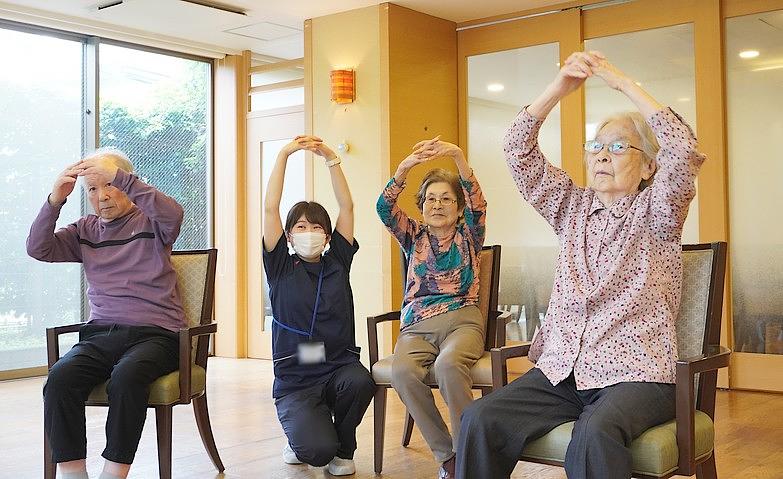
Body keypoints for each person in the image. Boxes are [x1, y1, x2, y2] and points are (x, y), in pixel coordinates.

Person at [456, 51, 706, 479]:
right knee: (480, 419)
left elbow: (683, 151)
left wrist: (622, 81)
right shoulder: (570, 207)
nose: (602, 155)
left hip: (638, 375)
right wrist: (558, 88)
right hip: (564, 371)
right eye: (596, 146)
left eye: (619, 146)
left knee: (594, 432)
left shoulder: (658, 212)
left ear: (649, 165)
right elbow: (517, 150)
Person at [28, 148, 186, 479]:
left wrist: (118, 176)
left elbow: (174, 213)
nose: (102, 197)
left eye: (109, 185)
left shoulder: (153, 223)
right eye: (93, 189)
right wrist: (55, 201)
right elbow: (38, 248)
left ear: (127, 183)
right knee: (59, 380)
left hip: (157, 334)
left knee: (127, 378)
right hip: (102, 333)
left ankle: (113, 473)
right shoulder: (85, 231)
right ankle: (74, 474)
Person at [263, 135, 374, 476]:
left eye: (316, 227)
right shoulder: (280, 265)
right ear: (289, 234)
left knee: (361, 382)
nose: (308, 232)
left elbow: (348, 208)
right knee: (315, 451)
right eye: (300, 226)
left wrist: (330, 158)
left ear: (327, 236)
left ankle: (345, 448)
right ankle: (302, 435)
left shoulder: (338, 260)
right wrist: (284, 154)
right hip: (296, 377)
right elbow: (270, 207)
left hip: (338, 367)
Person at [376, 136, 487, 479]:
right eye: (430, 199)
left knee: (450, 365)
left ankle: (469, 453)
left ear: (458, 206)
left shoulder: (470, 233)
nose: (438, 205)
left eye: (446, 199)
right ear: (422, 206)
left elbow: (477, 200)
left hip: (462, 322)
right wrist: (406, 166)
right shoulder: (412, 235)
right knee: (401, 372)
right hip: (417, 325)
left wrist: (457, 156)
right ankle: (449, 457)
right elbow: (384, 207)